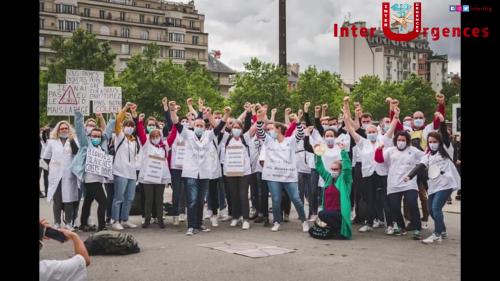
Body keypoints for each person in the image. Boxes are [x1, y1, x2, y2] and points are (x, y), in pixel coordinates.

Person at [173, 104, 229, 235]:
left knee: (200, 200)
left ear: (204, 127)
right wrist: (172, 110)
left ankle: (198, 224)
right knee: (192, 200)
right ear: (193, 126)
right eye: (197, 125)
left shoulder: (208, 136)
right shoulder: (188, 134)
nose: (199, 127)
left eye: (201, 126)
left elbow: (220, 126)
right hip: (191, 173)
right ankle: (191, 226)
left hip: (204, 173)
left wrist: (226, 114)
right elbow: (176, 123)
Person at [342, 97, 392, 233]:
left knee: (384, 199)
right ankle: (369, 222)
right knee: (369, 199)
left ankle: (390, 225)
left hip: (382, 174)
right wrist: (346, 117)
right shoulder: (362, 142)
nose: (371, 134)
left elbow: (392, 127)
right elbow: (352, 131)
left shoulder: (383, 139)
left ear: (377, 131)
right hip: (368, 175)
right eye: (369, 132)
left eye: (373, 132)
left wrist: (394, 113)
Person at [375, 109, 426, 239]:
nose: (401, 142)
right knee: (395, 207)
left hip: (409, 183)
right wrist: (379, 150)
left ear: (407, 141)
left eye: (403, 140)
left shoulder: (413, 151)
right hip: (394, 183)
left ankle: (417, 229)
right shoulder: (390, 151)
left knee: (412, 204)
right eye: (399, 139)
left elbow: (425, 159)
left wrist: (429, 150)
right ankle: (401, 226)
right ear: (396, 140)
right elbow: (379, 160)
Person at [256, 107, 309, 232]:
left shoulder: (290, 141)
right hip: (273, 176)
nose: (270, 132)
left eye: (272, 129)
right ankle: (277, 221)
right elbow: (260, 131)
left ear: (279, 129)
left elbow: (300, 134)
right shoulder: (269, 141)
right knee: (276, 199)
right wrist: (259, 119)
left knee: (296, 199)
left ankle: (304, 221)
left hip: (289, 176)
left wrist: (297, 122)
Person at [405, 131, 461, 244]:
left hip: (446, 184)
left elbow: (445, 136)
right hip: (434, 185)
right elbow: (420, 166)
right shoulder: (428, 156)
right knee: (431, 210)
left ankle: (437, 234)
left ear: (440, 142)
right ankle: (443, 230)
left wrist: (441, 122)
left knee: (436, 208)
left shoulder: (446, 151)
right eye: (430, 142)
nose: (432, 144)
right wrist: (409, 176)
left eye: (435, 141)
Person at [72, 111, 115, 232]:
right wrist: (79, 116)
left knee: (88, 201)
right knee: (103, 202)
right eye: (94, 136)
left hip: (99, 179)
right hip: (90, 179)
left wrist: (112, 118)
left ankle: (83, 223)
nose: (96, 138)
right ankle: (101, 227)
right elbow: (79, 130)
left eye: (98, 136)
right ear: (90, 136)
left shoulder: (103, 146)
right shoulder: (86, 144)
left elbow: (108, 131)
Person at [220, 105, 255, 230]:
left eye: (238, 127)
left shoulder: (245, 138)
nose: (235, 129)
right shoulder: (227, 138)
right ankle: (235, 217)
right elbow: (217, 126)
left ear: (241, 129)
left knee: (243, 195)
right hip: (230, 172)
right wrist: (226, 115)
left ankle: (245, 219)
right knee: (233, 195)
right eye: (234, 127)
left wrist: (249, 112)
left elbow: (251, 127)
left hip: (244, 173)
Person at [136, 111, 172, 229]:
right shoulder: (146, 144)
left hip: (160, 177)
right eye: (153, 137)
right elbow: (141, 133)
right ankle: (147, 219)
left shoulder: (164, 146)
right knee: (149, 200)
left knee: (159, 199)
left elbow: (174, 133)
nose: (155, 138)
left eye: (157, 137)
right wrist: (140, 121)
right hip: (148, 177)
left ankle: (160, 219)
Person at [43, 121, 80, 230]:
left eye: (66, 128)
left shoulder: (74, 140)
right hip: (56, 174)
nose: (64, 130)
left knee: (69, 199)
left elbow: (76, 152)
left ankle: (68, 223)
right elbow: (46, 157)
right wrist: (54, 165)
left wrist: (71, 138)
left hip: (69, 175)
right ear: (58, 130)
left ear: (69, 129)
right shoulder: (52, 142)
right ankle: (57, 222)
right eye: (62, 128)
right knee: (57, 200)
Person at [314, 143, 353, 239]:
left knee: (321, 213)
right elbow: (319, 167)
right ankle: (334, 231)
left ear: (340, 170)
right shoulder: (328, 178)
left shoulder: (345, 180)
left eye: (335, 169)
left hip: (340, 213)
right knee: (322, 215)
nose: (333, 171)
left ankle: (339, 230)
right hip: (330, 212)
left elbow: (347, 168)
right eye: (331, 169)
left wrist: (343, 152)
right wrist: (317, 153)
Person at [111, 102, 140, 231]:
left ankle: (125, 219)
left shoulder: (134, 140)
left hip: (131, 173)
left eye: (131, 126)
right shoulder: (119, 136)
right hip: (120, 171)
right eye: (127, 125)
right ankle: (115, 220)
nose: (129, 127)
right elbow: (117, 121)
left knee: (129, 198)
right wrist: (125, 108)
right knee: (119, 198)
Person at [40, 126, 51, 197]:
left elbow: (44, 137)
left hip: (46, 160)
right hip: (40, 159)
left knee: (46, 177)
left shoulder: (48, 140)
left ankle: (47, 192)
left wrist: (45, 131)